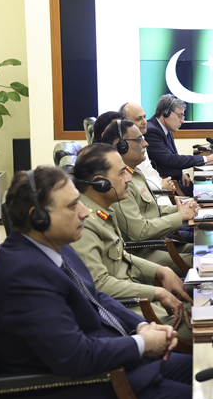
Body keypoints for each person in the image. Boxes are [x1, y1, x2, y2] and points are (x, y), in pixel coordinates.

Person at [0, 166, 191, 399]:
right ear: (37, 217)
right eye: (72, 205)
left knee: (206, 371)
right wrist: (142, 344)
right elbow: (74, 356)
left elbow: (96, 297)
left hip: (114, 373)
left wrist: (139, 327)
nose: (85, 213)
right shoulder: (23, 276)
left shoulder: (54, 246)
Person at [70, 143, 194, 342]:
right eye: (121, 173)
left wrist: (162, 271)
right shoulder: (84, 223)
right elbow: (98, 284)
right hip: (134, 314)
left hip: (143, 300)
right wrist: (157, 292)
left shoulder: (104, 210)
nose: (128, 178)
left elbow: (121, 255)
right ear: (99, 182)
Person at [101, 120, 197, 270]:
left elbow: (151, 211)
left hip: (159, 243)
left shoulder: (135, 173)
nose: (146, 144)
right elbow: (139, 232)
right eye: (139, 139)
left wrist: (185, 207)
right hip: (143, 253)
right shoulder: (116, 181)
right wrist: (180, 216)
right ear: (120, 145)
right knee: (208, 259)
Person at [145, 94, 213, 196]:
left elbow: (168, 158)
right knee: (209, 193)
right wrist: (206, 160)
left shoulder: (166, 129)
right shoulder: (151, 131)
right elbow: (170, 159)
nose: (182, 121)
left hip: (175, 181)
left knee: (210, 189)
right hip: (167, 188)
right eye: (179, 116)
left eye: (182, 116)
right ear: (166, 113)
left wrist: (182, 172)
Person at [120, 101, 176, 204]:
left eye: (144, 117)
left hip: (163, 201)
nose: (145, 122)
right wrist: (160, 186)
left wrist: (164, 182)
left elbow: (149, 173)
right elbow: (134, 185)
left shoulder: (142, 139)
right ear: (125, 122)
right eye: (138, 119)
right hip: (153, 204)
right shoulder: (127, 148)